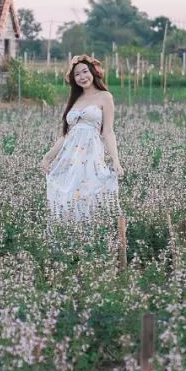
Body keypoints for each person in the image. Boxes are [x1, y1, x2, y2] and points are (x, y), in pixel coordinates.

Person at [41, 55, 124, 247]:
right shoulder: (75, 100)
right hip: (69, 158)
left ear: (93, 72)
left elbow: (109, 132)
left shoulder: (105, 97)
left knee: (90, 194)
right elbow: (65, 136)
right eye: (77, 74)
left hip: (91, 155)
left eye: (85, 71)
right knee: (69, 196)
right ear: (73, 80)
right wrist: (47, 157)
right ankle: (69, 243)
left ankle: (94, 243)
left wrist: (116, 161)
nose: (82, 76)